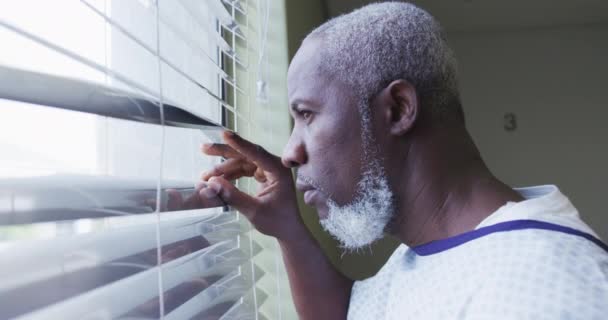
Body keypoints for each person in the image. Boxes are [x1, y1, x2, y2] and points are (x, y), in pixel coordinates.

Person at [195, 2, 608, 319]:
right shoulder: (445, 251)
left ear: (397, 109)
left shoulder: (536, 285)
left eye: (306, 115)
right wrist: (288, 225)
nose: (290, 153)